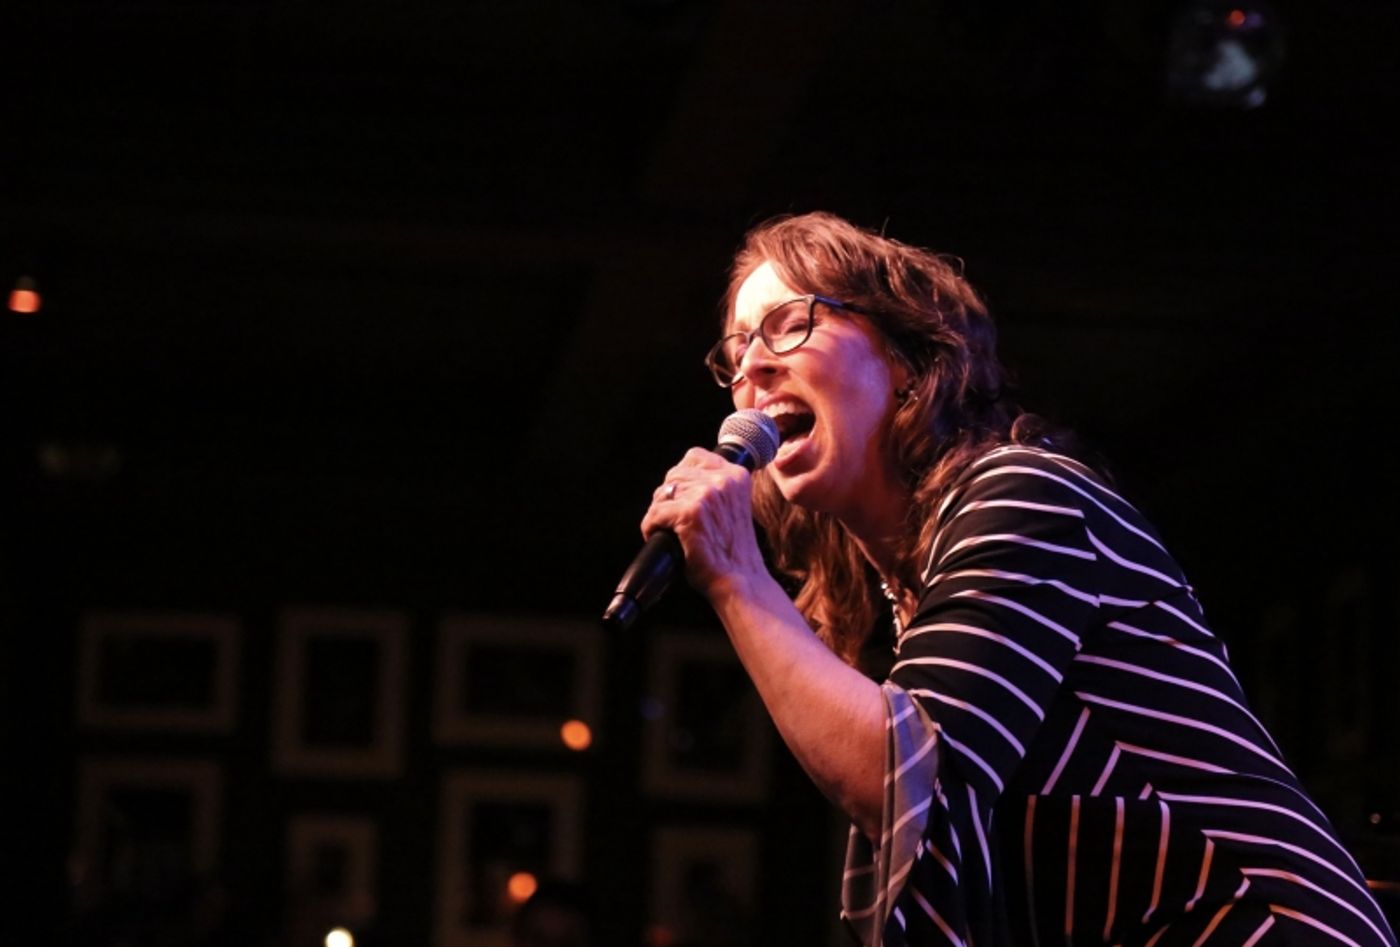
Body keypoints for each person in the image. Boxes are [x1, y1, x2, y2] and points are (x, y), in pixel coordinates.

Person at [639, 211, 1397, 946]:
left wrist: (737, 578)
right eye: (735, 349)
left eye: (788, 324)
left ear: (904, 354)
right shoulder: (908, 588)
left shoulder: (1023, 494)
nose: (750, 367)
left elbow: (912, 787)